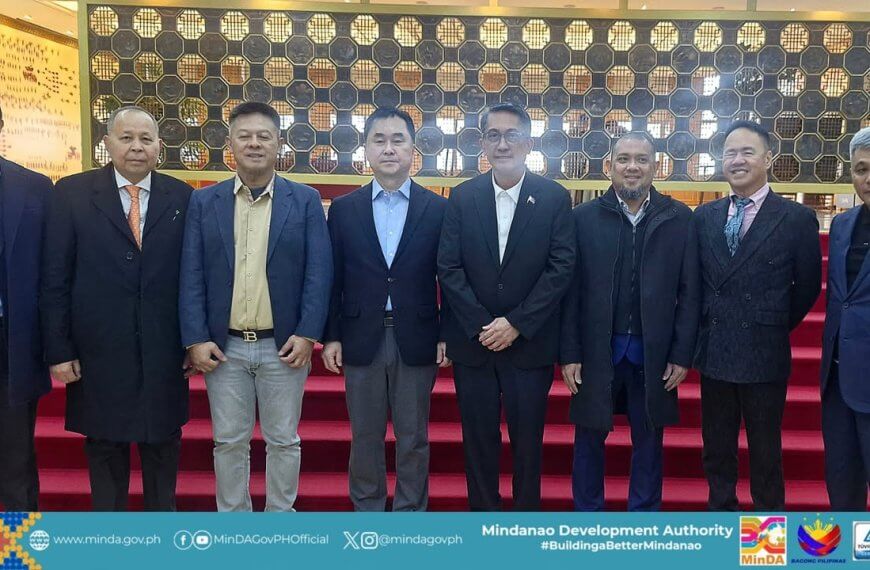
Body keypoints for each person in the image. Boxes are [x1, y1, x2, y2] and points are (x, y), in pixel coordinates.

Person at [180, 101, 332, 512]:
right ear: (230, 143)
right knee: (229, 441)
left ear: (278, 142)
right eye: (244, 135)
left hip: (282, 346)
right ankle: (235, 526)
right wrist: (195, 337)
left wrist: (307, 333)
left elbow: (320, 273)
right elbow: (191, 273)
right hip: (223, 347)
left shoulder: (304, 200)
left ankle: (281, 519)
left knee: (284, 439)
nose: (254, 143)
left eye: (264, 136)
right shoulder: (205, 201)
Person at [41, 106, 192, 511]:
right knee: (105, 449)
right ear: (107, 144)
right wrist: (59, 350)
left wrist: (195, 339)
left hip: (164, 349)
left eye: (146, 139)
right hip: (98, 351)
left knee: (163, 446)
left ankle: (164, 541)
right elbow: (55, 277)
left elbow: (195, 278)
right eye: (126, 138)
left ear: (160, 146)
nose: (137, 147)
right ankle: (111, 541)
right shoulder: (71, 193)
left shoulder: (182, 196)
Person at [437, 102, 575, 510]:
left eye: (511, 134)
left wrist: (515, 323)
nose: (502, 143)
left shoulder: (553, 198)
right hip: (474, 345)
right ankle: (484, 522)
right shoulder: (462, 197)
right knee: (478, 441)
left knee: (528, 442)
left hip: (528, 346)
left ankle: (524, 526)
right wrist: (484, 324)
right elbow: (448, 266)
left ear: (528, 142)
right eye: (493, 135)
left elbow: (560, 268)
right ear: (482, 144)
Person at [560, 131, 699, 511]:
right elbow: (570, 291)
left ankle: (643, 520)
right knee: (589, 438)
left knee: (650, 440)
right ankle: (588, 519)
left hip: (652, 352)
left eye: (641, 159)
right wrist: (570, 352)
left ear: (656, 167)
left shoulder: (678, 218)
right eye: (623, 159)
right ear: (609, 167)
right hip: (596, 349)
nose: (632, 167)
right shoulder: (583, 219)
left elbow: (690, 293)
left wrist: (682, 354)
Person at [322, 107, 449, 511]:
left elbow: (449, 278)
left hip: (418, 335)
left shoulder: (438, 209)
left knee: (414, 437)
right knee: (365, 435)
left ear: (414, 150)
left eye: (398, 140)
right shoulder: (344, 210)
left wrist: (446, 333)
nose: (389, 148)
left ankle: (410, 515)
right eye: (380, 140)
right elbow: (332, 278)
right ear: (367, 149)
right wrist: (332, 335)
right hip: (361, 337)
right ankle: (369, 514)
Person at [693, 120, 821, 511]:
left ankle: (766, 538)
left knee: (766, 455)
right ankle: (721, 525)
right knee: (717, 450)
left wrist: (770, 321)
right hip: (715, 352)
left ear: (768, 158)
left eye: (747, 152)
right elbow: (695, 283)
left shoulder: (795, 219)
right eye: (730, 152)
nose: (737, 160)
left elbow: (808, 287)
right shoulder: (704, 216)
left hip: (764, 353)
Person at [0, 104, 53, 511]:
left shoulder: (34, 188)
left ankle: (16, 556)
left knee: (14, 462)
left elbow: (53, 273)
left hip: (10, 345)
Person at [820, 126, 870, 511]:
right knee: (842, 483)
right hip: (838, 379)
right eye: (860, 169)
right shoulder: (841, 225)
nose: (867, 179)